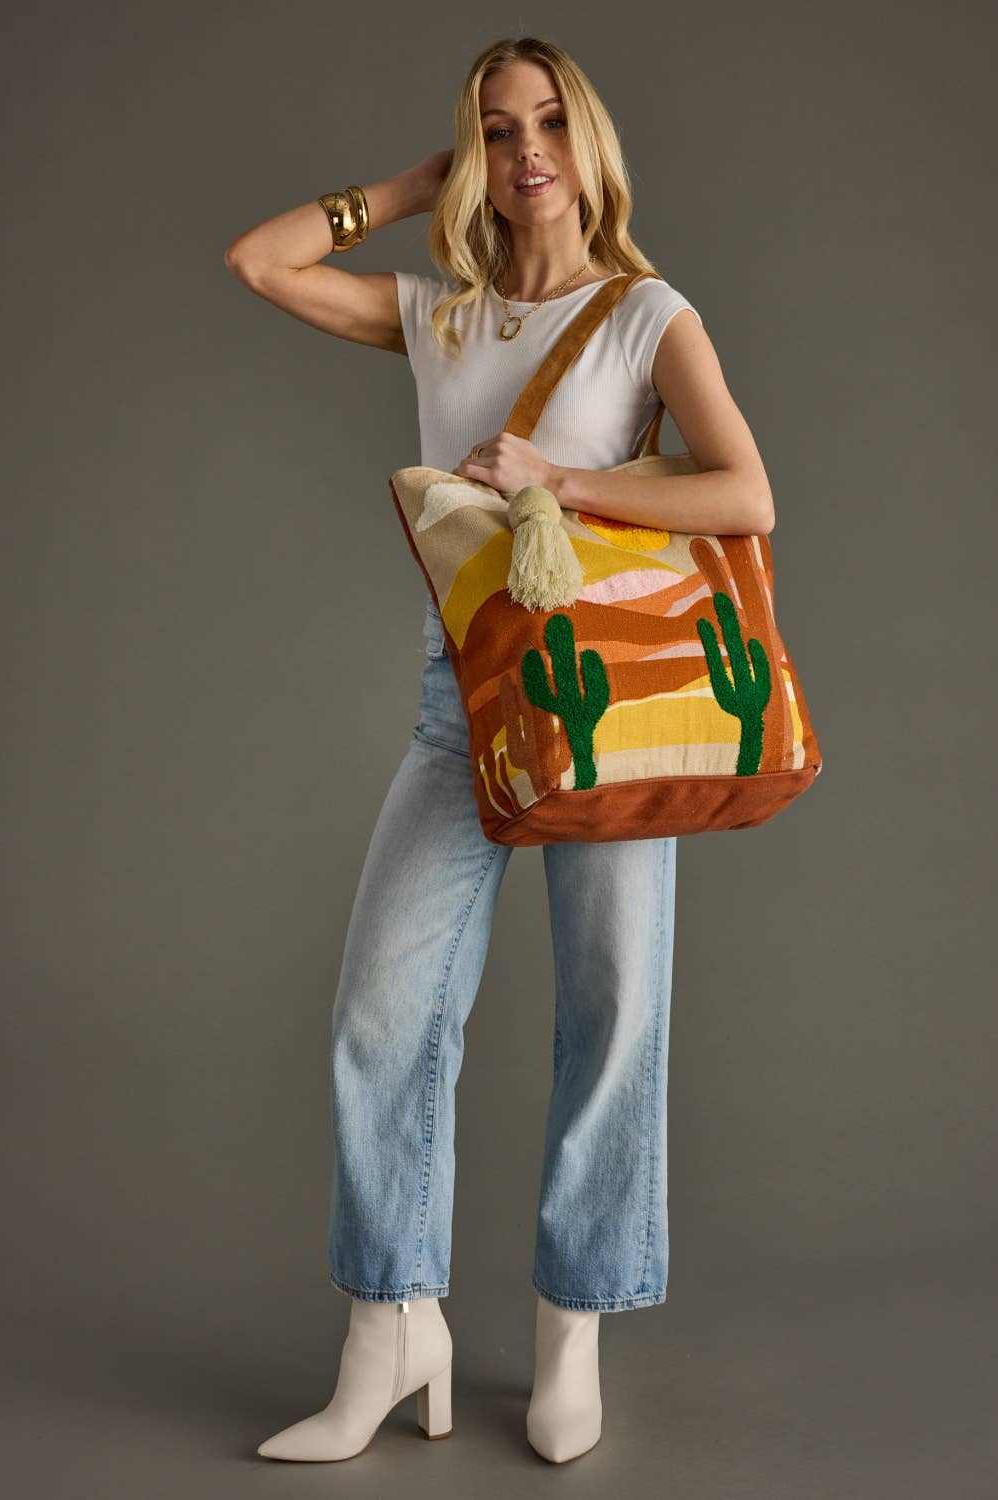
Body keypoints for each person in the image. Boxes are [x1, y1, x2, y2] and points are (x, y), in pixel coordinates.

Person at [224, 34, 774, 1468]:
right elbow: (261, 262)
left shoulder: (649, 315)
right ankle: (393, 1328)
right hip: (454, 701)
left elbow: (749, 494)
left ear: (588, 142)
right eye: (497, 128)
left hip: (608, 698)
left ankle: (572, 1329)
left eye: (547, 121)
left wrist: (564, 481)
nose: (528, 148)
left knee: (611, 1019)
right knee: (380, 1017)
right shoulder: (444, 319)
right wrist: (414, 184)